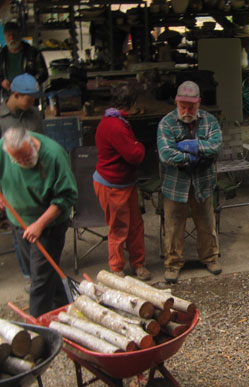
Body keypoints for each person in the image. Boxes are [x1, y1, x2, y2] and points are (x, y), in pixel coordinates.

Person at [0, 127, 77, 317]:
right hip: (19, 222)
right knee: (44, 273)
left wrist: (40, 224)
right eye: (17, 160)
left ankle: (36, 334)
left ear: (33, 143)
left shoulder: (53, 155)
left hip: (48, 225)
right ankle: (68, 309)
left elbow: (67, 197)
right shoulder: (3, 148)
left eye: (26, 157)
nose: (23, 163)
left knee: (40, 281)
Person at [157, 81, 222, 284]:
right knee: (174, 226)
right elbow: (166, 154)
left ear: (199, 103)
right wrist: (194, 158)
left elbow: (216, 147)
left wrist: (189, 145)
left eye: (191, 107)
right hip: (175, 185)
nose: (186, 111)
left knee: (206, 223)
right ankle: (173, 264)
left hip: (203, 183)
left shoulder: (210, 121)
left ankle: (210, 258)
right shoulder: (166, 123)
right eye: (182, 106)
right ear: (176, 102)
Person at [93, 82, 151, 280]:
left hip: (124, 182)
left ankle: (138, 263)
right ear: (132, 103)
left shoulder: (115, 119)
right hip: (112, 185)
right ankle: (117, 268)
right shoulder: (115, 125)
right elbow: (135, 155)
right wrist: (139, 146)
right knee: (119, 227)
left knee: (135, 225)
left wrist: (135, 146)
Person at [0, 73, 44, 288]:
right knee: (19, 228)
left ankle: (39, 271)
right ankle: (29, 275)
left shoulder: (34, 115)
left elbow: (43, 145)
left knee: (37, 226)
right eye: (29, 98)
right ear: (15, 95)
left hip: (35, 181)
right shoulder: (1, 119)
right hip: (11, 184)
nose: (33, 103)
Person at [0, 22, 48, 94]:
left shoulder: (32, 52)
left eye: (14, 34)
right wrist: (2, 82)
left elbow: (43, 73)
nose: (12, 38)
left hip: (29, 95)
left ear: (20, 35)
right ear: (4, 36)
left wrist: (29, 83)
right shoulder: (1, 55)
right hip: (8, 96)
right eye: (8, 35)